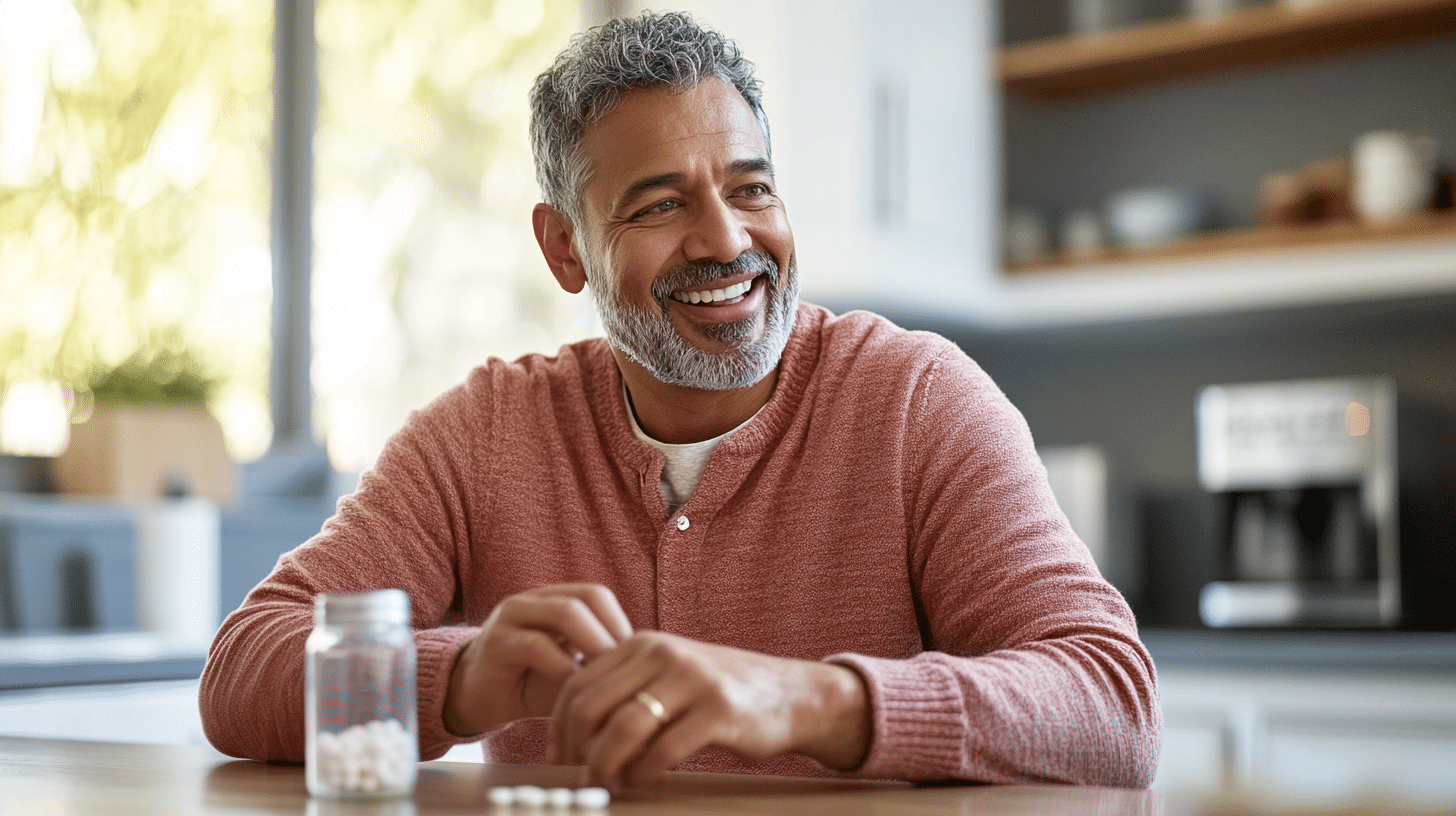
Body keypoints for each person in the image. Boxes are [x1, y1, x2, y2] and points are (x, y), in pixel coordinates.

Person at [200, 10, 1161, 791]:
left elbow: (1112, 701)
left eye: (751, 189)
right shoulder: (488, 433)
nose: (723, 240)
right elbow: (245, 666)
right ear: (564, 247)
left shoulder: (915, 399)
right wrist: (462, 677)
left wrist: (807, 701)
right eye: (660, 205)